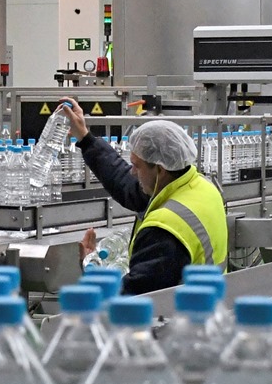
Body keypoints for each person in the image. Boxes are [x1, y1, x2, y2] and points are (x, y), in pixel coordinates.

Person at [61, 98, 228, 295]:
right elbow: (125, 183)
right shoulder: (200, 186)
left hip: (179, 318)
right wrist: (85, 138)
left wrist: (91, 270)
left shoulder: (165, 228)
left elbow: (130, 297)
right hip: (210, 306)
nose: (132, 172)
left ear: (159, 169)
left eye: (136, 165)